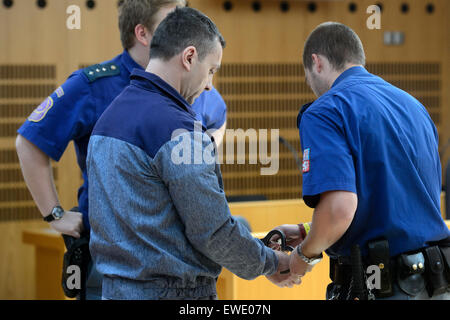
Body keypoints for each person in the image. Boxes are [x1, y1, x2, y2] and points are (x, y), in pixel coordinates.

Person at [15, 0, 227, 300]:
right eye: (172, 20)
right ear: (142, 33)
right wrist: (55, 214)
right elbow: (29, 142)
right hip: (115, 261)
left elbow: (218, 118)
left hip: (181, 264)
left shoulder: (197, 79)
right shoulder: (94, 85)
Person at [87, 7, 294, 300]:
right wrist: (274, 263)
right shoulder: (177, 130)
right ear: (188, 57)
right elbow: (212, 232)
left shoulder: (107, 119)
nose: (210, 84)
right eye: (211, 70)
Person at [270, 22, 450, 300]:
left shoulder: (325, 110)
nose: (312, 88)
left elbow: (339, 210)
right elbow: (399, 206)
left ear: (316, 63)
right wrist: (309, 230)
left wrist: (301, 257)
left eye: (308, 78)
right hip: (438, 284)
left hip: (380, 287)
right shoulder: (415, 107)